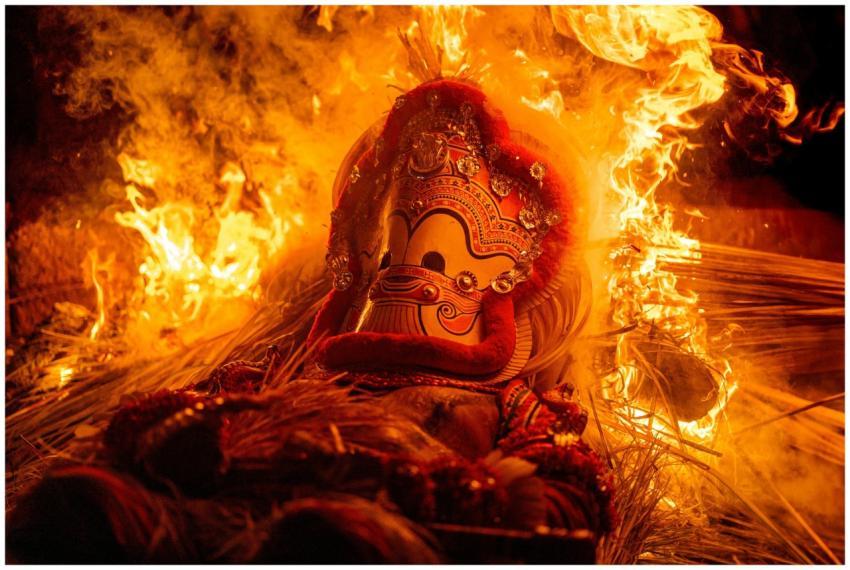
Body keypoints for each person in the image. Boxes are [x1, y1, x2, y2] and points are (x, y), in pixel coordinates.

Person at [7, 79, 615, 564]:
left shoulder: (515, 407)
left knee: (337, 542)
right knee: (84, 506)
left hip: (387, 531)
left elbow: (566, 502)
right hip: (235, 511)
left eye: (435, 256)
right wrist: (189, 439)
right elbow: (181, 414)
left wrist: (421, 489)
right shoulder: (289, 371)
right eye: (394, 247)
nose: (408, 270)